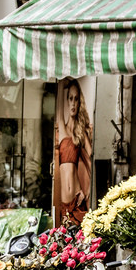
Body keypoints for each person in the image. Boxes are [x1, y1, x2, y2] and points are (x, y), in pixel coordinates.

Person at [57, 78, 93, 224]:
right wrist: (63, 82)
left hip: (77, 202)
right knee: (63, 244)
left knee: (82, 244)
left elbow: (93, 165)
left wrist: (88, 192)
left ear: (79, 103)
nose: (73, 103)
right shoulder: (62, 128)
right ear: (67, 101)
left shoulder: (81, 134)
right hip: (65, 203)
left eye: (76, 99)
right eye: (70, 98)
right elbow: (58, 100)